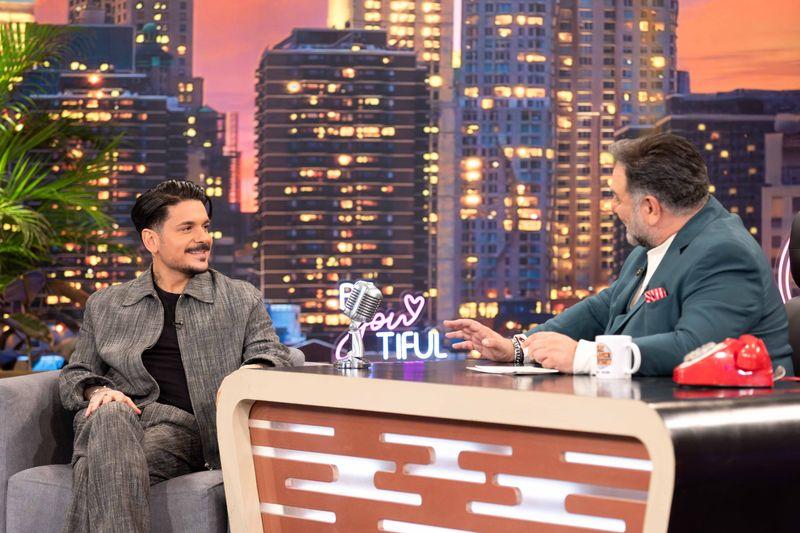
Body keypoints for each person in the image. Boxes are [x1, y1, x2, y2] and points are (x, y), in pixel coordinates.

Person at [445, 132, 793, 376]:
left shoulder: (726, 254)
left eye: (616, 197)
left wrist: (585, 356)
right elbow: (602, 309)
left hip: (727, 432)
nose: (612, 208)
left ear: (650, 208)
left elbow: (694, 349)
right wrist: (519, 348)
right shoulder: (654, 243)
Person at [58, 180, 293, 532]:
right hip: (113, 417)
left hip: (183, 429)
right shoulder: (106, 303)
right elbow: (75, 373)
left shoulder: (240, 297)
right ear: (151, 241)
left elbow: (272, 352)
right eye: (187, 228)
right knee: (112, 415)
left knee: (99, 463)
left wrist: (245, 376)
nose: (203, 238)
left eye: (205, 227)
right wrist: (99, 391)